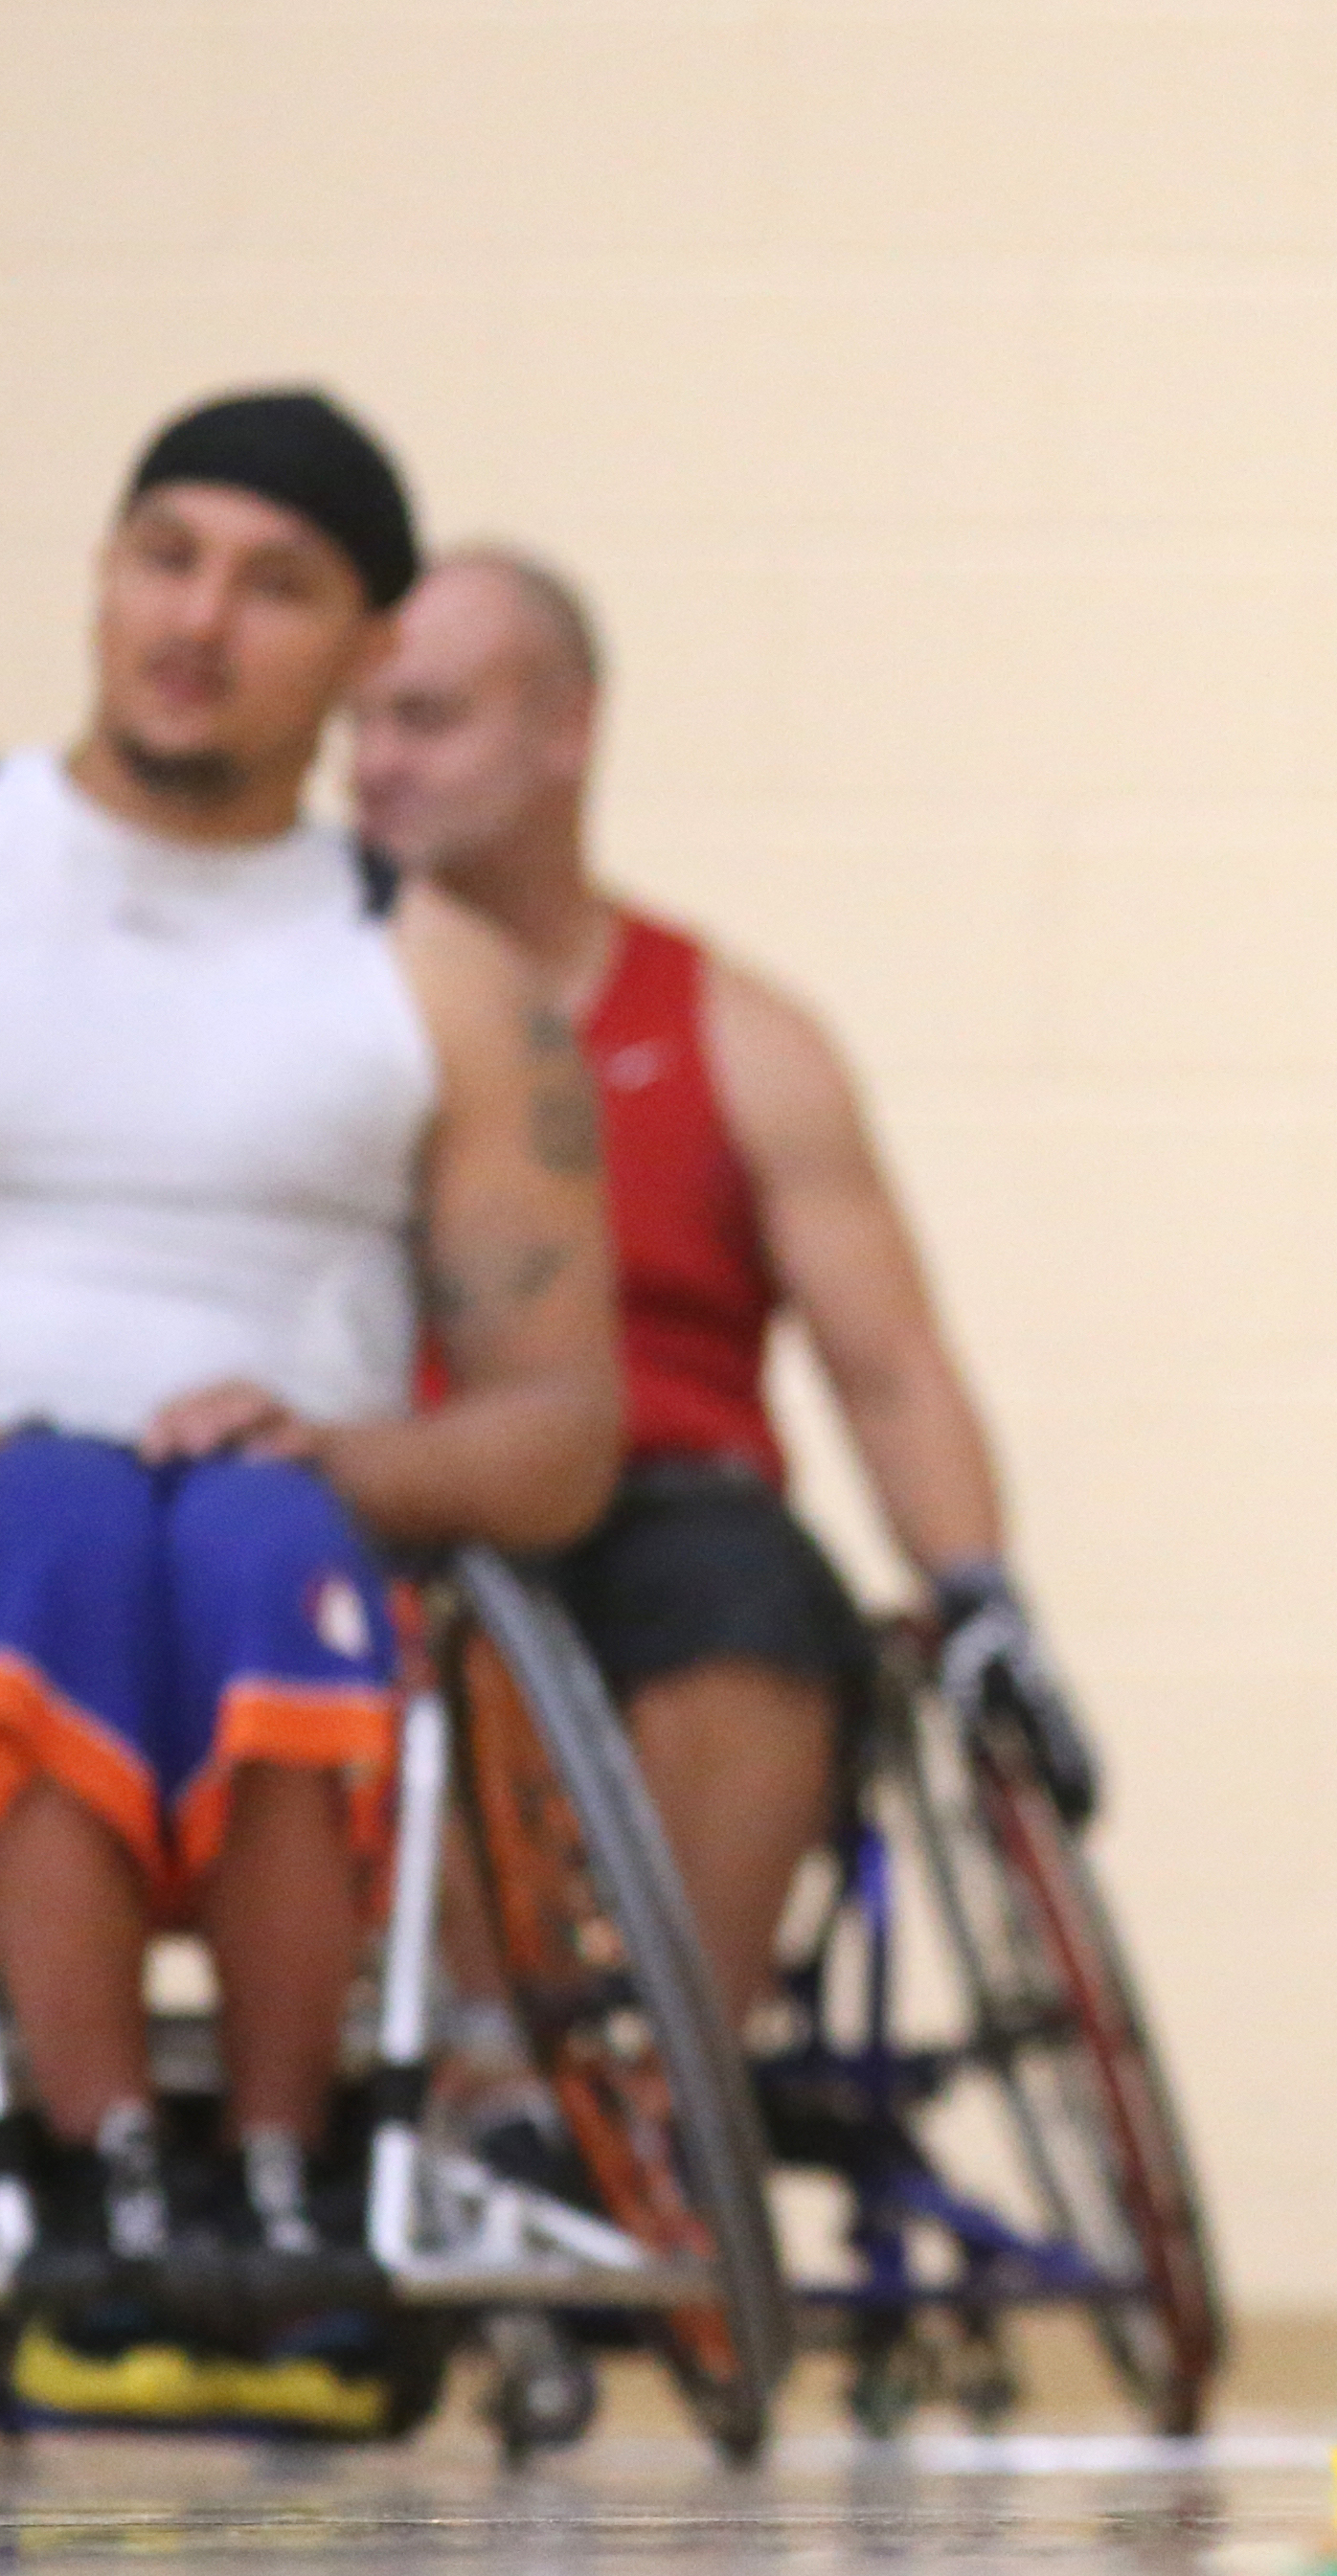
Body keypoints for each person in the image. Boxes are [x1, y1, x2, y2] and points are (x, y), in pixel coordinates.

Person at [0, 392, 621, 2424]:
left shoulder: (447, 981)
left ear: (365, 649)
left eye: (276, 586)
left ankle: (272, 2179)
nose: (200, 619)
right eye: (166, 556)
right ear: (102, 573)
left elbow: (563, 1427)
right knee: (61, 1515)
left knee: (246, 1533)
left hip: (280, 1536)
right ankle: (84, 2177)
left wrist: (350, 1452)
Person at [345, 547, 1033, 2028]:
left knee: (751, 1594)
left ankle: (675, 2082)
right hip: (403, 1501)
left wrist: (981, 1603)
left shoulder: (740, 1034)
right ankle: (489, 2074)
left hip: (669, 1508)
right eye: (363, 724)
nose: (376, 766)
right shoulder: (302, 1022)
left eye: (426, 719)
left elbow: (891, 1368)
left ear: (565, 728)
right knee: (378, 1620)